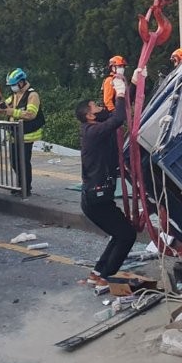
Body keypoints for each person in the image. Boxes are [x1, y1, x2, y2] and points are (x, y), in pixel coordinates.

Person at [75, 75, 137, 285]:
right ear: (90, 116)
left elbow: (119, 111)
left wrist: (133, 84)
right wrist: (118, 92)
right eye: (96, 107)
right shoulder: (92, 132)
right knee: (126, 235)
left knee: (120, 233)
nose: (101, 107)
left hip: (97, 197)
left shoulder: (95, 128)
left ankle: (98, 273)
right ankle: (105, 276)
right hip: (96, 199)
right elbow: (118, 119)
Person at [1, 68, 44, 196]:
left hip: (27, 135)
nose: (12, 87)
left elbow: (31, 114)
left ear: (21, 82)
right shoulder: (15, 95)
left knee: (23, 162)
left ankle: (26, 188)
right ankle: (20, 184)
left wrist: (12, 112)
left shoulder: (32, 95)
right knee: (15, 162)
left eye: (13, 85)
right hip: (15, 134)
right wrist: (0, 106)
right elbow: (6, 104)